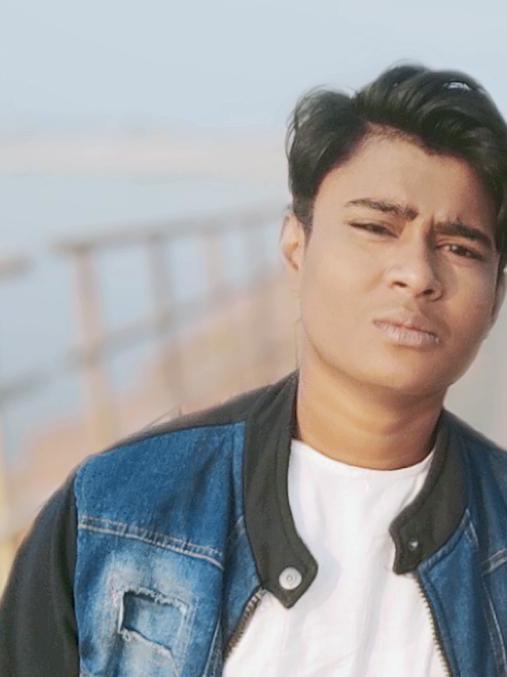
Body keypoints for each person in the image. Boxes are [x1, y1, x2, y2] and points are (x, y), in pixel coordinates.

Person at [1, 63, 507, 677]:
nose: (417, 274)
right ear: (296, 246)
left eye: (458, 247)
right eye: (376, 228)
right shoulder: (119, 512)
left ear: (495, 298)